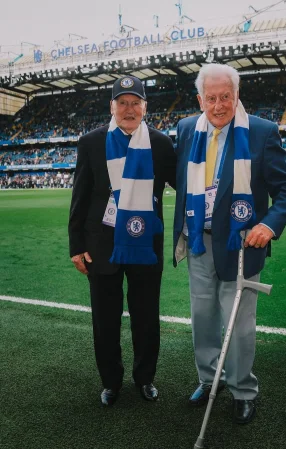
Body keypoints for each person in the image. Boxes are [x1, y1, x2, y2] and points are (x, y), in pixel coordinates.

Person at [173, 64, 286, 424]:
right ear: (200, 99)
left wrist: (268, 225)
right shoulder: (185, 129)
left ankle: (243, 390)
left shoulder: (261, 132)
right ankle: (210, 379)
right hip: (199, 240)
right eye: (210, 98)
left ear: (236, 95)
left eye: (225, 96)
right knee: (203, 318)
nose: (218, 105)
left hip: (242, 244)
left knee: (239, 325)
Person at [69, 75, 176, 406]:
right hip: (102, 245)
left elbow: (181, 184)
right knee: (105, 319)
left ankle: (145, 378)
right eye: (122, 102)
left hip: (145, 245)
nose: (129, 109)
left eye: (135, 103)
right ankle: (111, 381)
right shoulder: (90, 142)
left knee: (146, 317)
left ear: (145, 107)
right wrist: (76, 246)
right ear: (112, 106)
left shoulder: (160, 143)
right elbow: (81, 196)